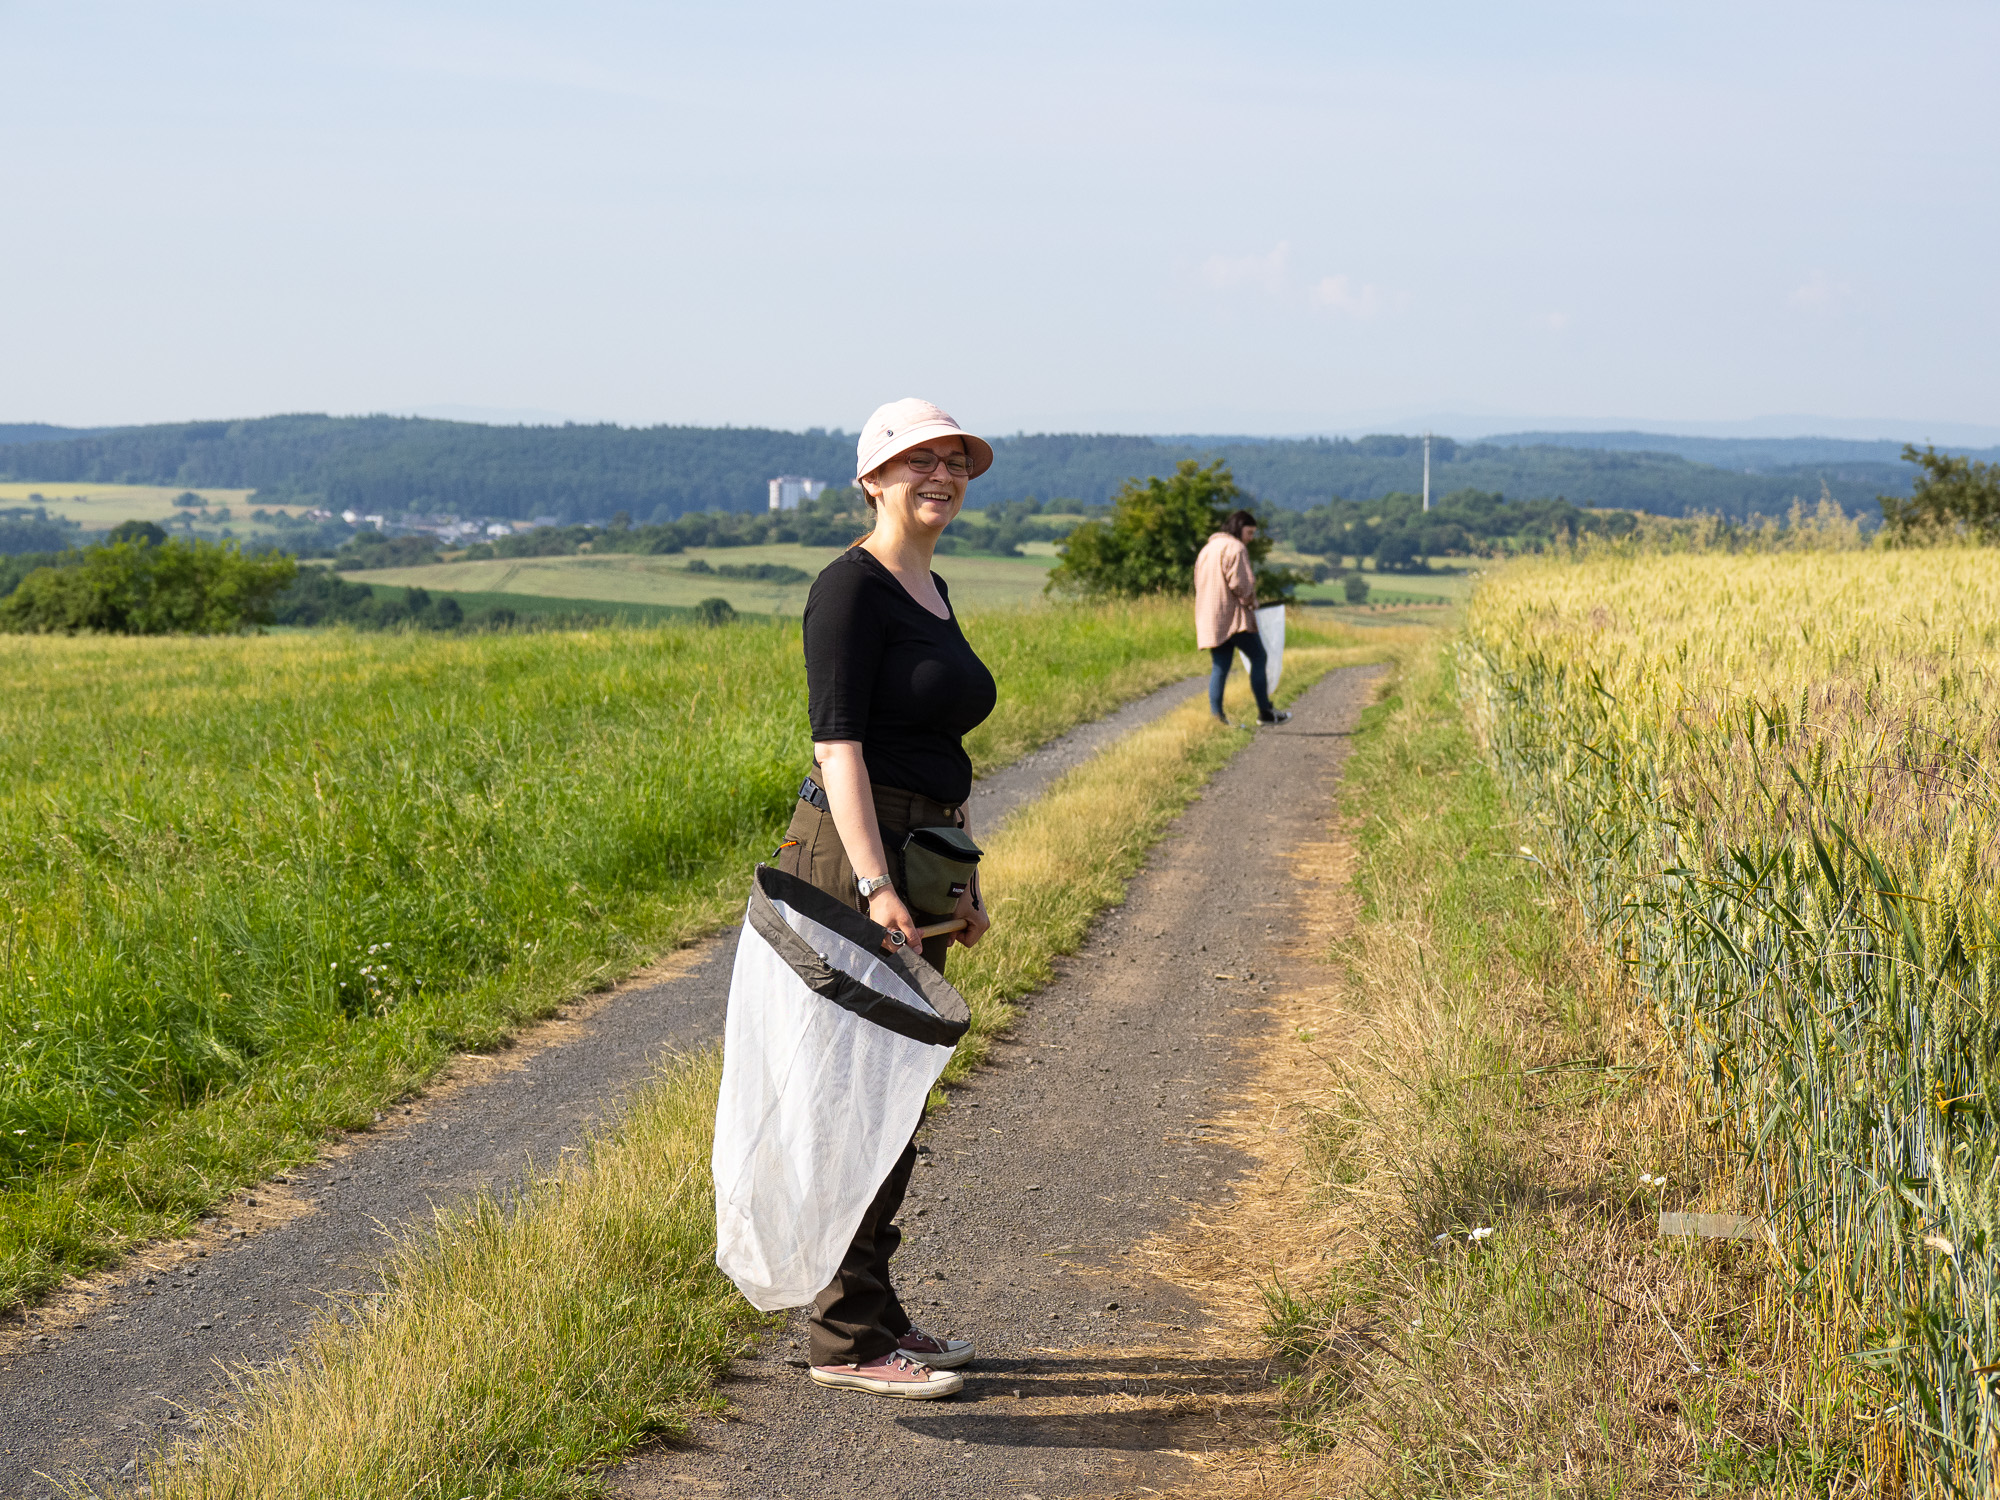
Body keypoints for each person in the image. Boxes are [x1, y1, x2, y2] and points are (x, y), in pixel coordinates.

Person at [772, 396, 997, 1400]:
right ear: (871, 478)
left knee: (892, 1095)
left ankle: (872, 1306)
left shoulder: (929, 585)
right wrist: (871, 883)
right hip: (855, 857)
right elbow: (840, 745)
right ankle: (844, 1339)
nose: (939, 477)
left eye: (953, 462)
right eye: (918, 462)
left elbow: (934, 749)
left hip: (919, 852)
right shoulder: (848, 591)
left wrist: (959, 880)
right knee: (855, 1095)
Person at [1194, 509, 1289, 726]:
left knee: (1220, 665)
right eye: (1249, 532)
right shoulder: (1236, 548)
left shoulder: (1207, 550)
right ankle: (1265, 711)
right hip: (1234, 618)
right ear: (1239, 528)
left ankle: (1216, 717)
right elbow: (1240, 584)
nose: (1251, 538)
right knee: (1258, 657)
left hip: (1211, 617)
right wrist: (1251, 601)